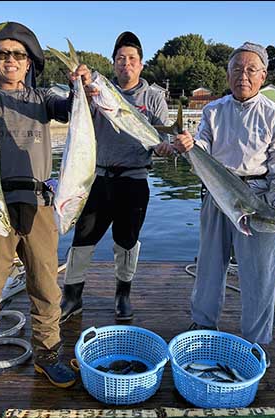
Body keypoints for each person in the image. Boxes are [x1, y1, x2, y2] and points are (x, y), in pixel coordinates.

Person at [0, 22, 92, 418]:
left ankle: (48, 356)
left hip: (39, 205)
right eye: (1, 54)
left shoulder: (43, 98)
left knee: (47, 291)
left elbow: (74, 108)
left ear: (30, 61)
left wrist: (83, 83)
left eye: (18, 55)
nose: (10, 61)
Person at [173, 42, 275, 368]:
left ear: (263, 75)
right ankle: (202, 325)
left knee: (259, 273)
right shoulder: (213, 111)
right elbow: (201, 146)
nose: (243, 75)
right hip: (218, 191)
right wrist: (188, 145)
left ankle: (256, 342)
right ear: (227, 75)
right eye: (237, 69)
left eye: (251, 70)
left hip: (257, 195)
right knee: (209, 265)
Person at [59, 31, 174, 323]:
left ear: (141, 64)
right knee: (82, 239)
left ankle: (123, 294)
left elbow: (164, 143)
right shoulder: (99, 91)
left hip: (134, 181)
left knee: (127, 241)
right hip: (96, 179)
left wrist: (164, 148)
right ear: (113, 63)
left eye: (132, 59)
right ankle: (72, 296)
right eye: (120, 59)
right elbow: (77, 115)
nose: (126, 64)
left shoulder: (154, 97)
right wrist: (81, 91)